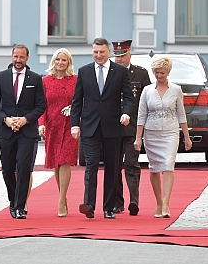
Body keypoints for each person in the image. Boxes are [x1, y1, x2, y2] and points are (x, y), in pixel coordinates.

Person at [71, 37, 134, 219]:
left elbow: (129, 97)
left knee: (112, 168)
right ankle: (89, 204)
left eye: (102, 52)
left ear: (109, 52)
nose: (98, 55)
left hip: (113, 126)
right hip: (90, 127)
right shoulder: (84, 71)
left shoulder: (120, 72)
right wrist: (75, 124)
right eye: (95, 52)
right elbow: (77, 101)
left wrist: (127, 113)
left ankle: (108, 207)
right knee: (90, 165)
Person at [0, 44, 46, 219]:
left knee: (23, 167)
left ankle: (20, 206)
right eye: (16, 57)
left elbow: (41, 106)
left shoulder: (35, 79)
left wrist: (25, 119)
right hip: (6, 131)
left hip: (27, 131)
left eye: (21, 57)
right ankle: (13, 201)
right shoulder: (1, 77)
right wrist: (6, 119)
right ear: (12, 56)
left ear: (27, 58)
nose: (18, 60)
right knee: (7, 168)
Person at [135, 55, 191, 218]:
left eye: (162, 73)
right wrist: (138, 138)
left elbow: (181, 114)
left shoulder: (176, 90)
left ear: (168, 72)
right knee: (154, 169)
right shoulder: (147, 91)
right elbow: (141, 115)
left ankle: (166, 203)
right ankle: (158, 202)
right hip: (151, 134)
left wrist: (186, 137)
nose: (159, 76)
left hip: (170, 133)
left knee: (168, 166)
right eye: (156, 73)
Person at [112, 39, 151, 216]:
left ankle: (134, 200)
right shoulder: (109, 73)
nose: (119, 59)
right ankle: (117, 202)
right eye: (116, 56)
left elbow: (147, 101)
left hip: (134, 126)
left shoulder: (140, 74)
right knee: (114, 165)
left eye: (122, 56)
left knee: (131, 164)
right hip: (113, 127)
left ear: (129, 55)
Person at [38, 48, 78, 217]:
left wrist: (74, 109)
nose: (60, 63)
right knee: (56, 161)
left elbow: (81, 100)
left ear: (68, 62)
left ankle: (61, 200)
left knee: (65, 160)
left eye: (64, 60)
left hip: (70, 125)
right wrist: (41, 124)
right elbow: (41, 105)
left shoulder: (75, 80)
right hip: (52, 125)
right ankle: (63, 197)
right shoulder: (45, 81)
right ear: (53, 62)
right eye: (58, 60)